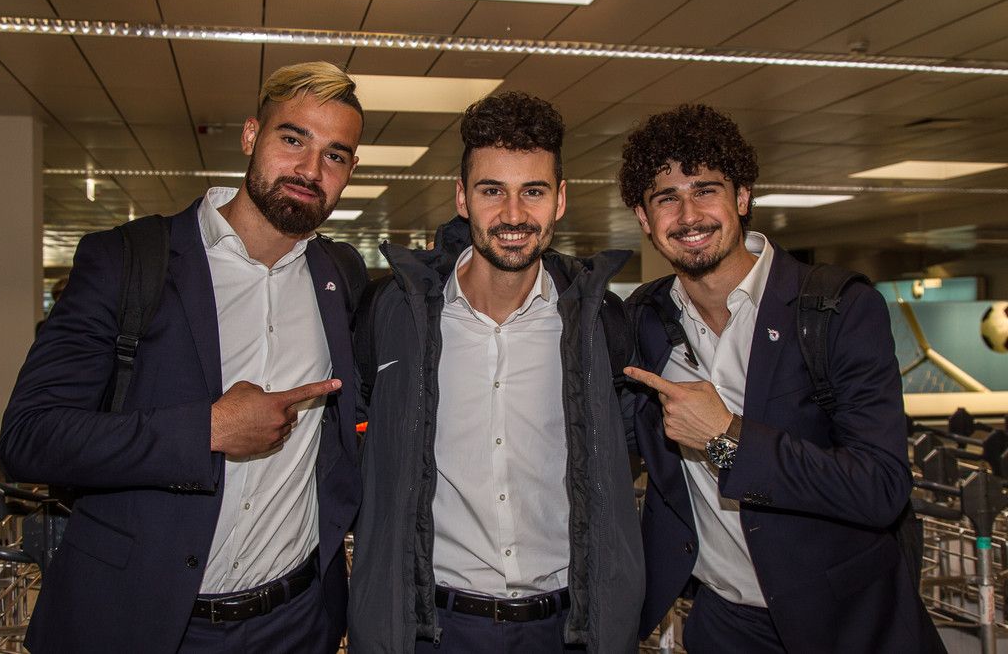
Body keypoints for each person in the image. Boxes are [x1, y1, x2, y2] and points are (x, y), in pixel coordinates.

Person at [0, 61, 367, 653]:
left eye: (335, 155)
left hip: (295, 622)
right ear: (251, 135)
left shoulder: (340, 274)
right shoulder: (127, 261)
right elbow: (30, 437)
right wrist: (208, 430)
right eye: (293, 139)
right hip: (142, 622)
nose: (309, 169)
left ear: (350, 170)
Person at [618, 104, 944, 653]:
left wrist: (725, 436)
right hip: (725, 624)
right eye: (666, 198)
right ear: (644, 218)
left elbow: (881, 487)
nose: (689, 214)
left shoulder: (836, 309)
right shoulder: (643, 321)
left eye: (706, 190)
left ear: (742, 197)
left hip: (848, 624)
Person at [347, 92, 643, 653]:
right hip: (435, 628)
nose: (512, 215)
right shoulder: (398, 316)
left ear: (560, 199)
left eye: (533, 191)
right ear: (462, 197)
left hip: (566, 629)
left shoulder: (598, 323)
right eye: (491, 191)